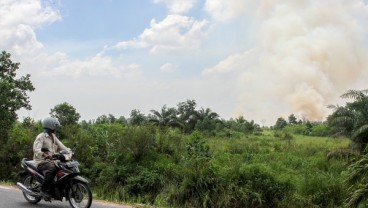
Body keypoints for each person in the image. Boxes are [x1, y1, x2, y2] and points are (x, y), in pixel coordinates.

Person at [33, 117, 70, 200]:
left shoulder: (53, 136)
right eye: (55, 126)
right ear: (50, 126)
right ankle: (43, 190)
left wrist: (68, 151)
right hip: (41, 161)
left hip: (51, 160)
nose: (56, 128)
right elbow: (36, 150)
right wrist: (44, 154)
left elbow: (60, 145)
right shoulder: (41, 137)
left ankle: (57, 189)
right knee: (52, 169)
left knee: (63, 168)